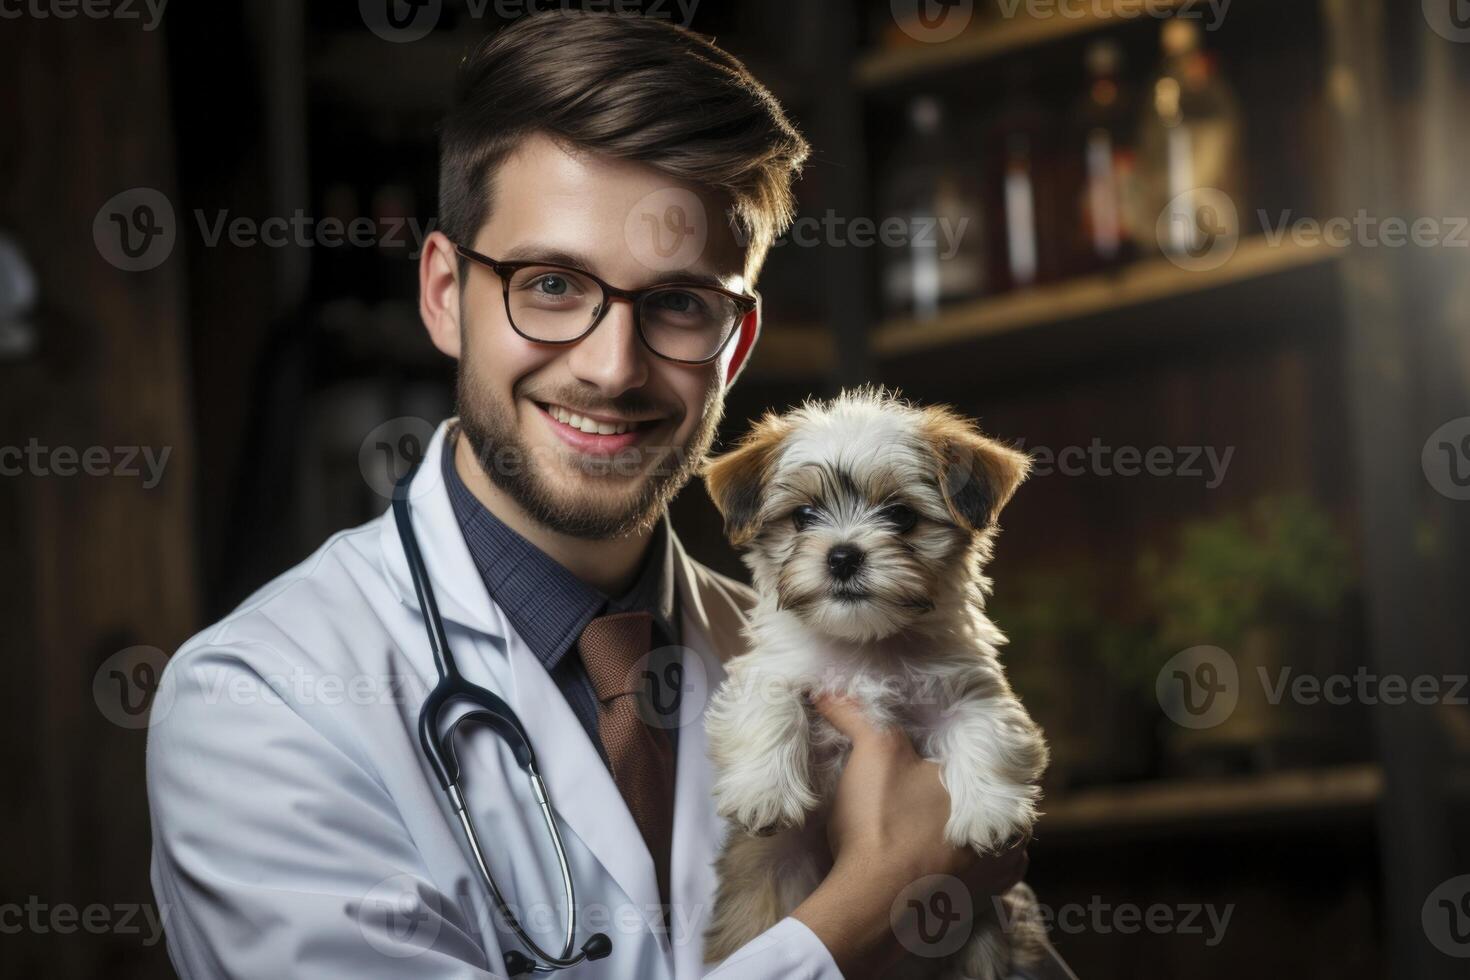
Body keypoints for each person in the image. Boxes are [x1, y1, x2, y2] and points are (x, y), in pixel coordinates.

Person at [147, 11, 1075, 978]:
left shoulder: (832, 662)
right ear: (440, 293)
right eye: (550, 283)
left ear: (735, 345)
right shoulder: (258, 705)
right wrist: (859, 918)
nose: (611, 367)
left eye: (679, 303)